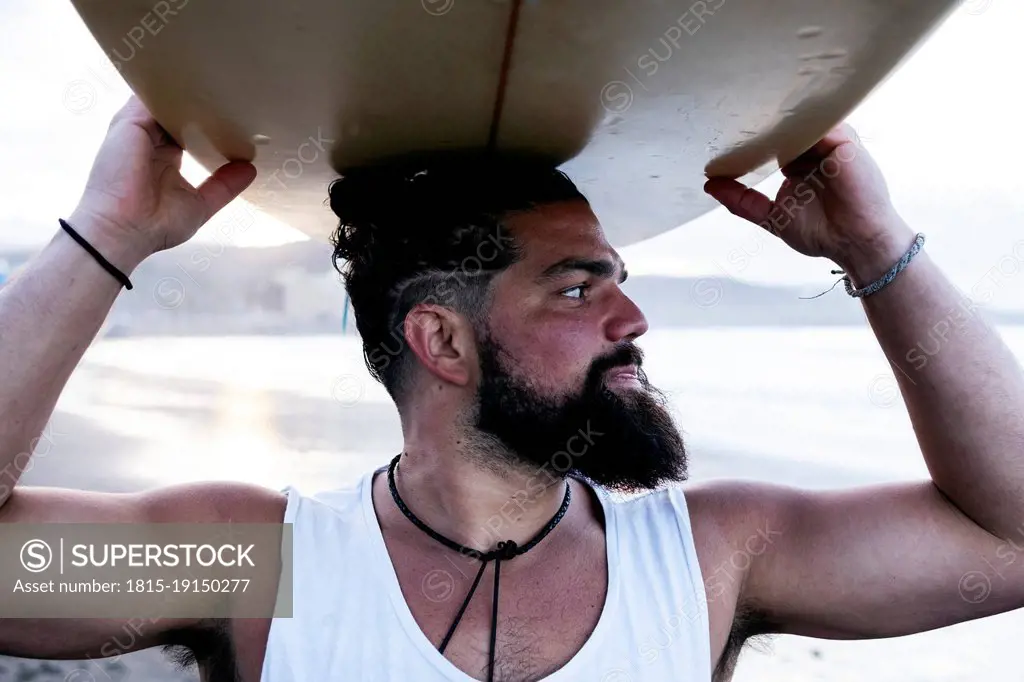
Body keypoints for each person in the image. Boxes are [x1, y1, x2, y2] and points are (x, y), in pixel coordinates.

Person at [1, 95, 1023, 682]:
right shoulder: (263, 563)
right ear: (441, 340)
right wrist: (108, 237)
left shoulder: (712, 556)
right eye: (578, 287)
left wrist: (874, 249)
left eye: (620, 281)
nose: (633, 325)